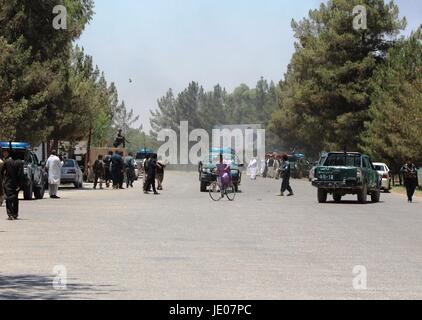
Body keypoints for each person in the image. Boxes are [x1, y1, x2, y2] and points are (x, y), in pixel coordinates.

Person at [1, 146, 25, 220]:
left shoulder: (7, 161)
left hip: (8, 183)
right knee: (15, 198)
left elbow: (1, 172)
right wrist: (20, 184)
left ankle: (10, 214)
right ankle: (15, 213)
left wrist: (3, 179)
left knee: (8, 198)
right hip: (16, 184)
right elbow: (21, 174)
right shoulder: (20, 162)